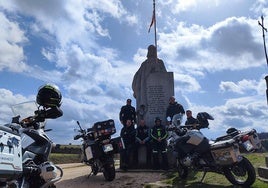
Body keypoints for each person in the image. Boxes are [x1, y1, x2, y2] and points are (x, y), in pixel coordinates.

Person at [132, 45, 167, 121]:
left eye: (153, 50)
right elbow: (137, 76)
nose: (151, 52)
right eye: (150, 50)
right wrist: (136, 88)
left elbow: (165, 75)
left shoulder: (160, 62)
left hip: (158, 89)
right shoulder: (144, 64)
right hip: (145, 89)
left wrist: (158, 69)